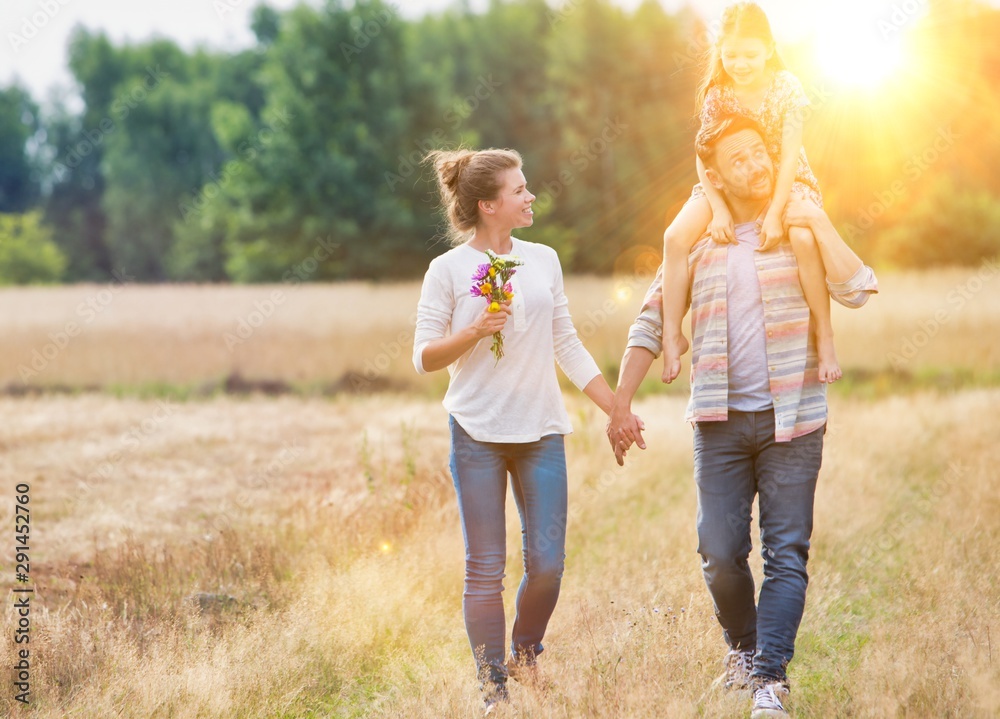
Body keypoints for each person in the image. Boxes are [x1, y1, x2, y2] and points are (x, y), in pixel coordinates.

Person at [607, 115, 878, 718]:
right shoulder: (701, 240)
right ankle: (744, 650)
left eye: (760, 153)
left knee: (787, 551)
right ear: (715, 177)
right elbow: (653, 319)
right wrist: (621, 402)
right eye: (739, 160)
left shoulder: (797, 225)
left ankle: (770, 680)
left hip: (794, 421)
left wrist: (820, 217)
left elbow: (858, 288)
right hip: (720, 421)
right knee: (720, 550)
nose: (754, 166)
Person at [413, 148, 631, 714]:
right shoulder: (448, 271)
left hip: (541, 432)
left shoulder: (544, 260)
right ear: (488, 205)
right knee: (484, 567)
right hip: (477, 432)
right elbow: (425, 358)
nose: (530, 196)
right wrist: (476, 330)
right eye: (519, 190)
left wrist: (616, 408)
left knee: (548, 564)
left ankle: (526, 654)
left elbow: (567, 343)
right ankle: (494, 689)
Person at [660, 1, 842, 387]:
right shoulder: (718, 94)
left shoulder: (786, 87)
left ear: (769, 50)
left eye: (749, 55)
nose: (739, 63)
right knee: (674, 238)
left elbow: (791, 155)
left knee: (804, 239)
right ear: (719, 51)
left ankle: (824, 334)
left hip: (785, 180)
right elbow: (702, 155)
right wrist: (720, 209)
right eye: (730, 55)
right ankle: (671, 332)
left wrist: (776, 212)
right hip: (726, 183)